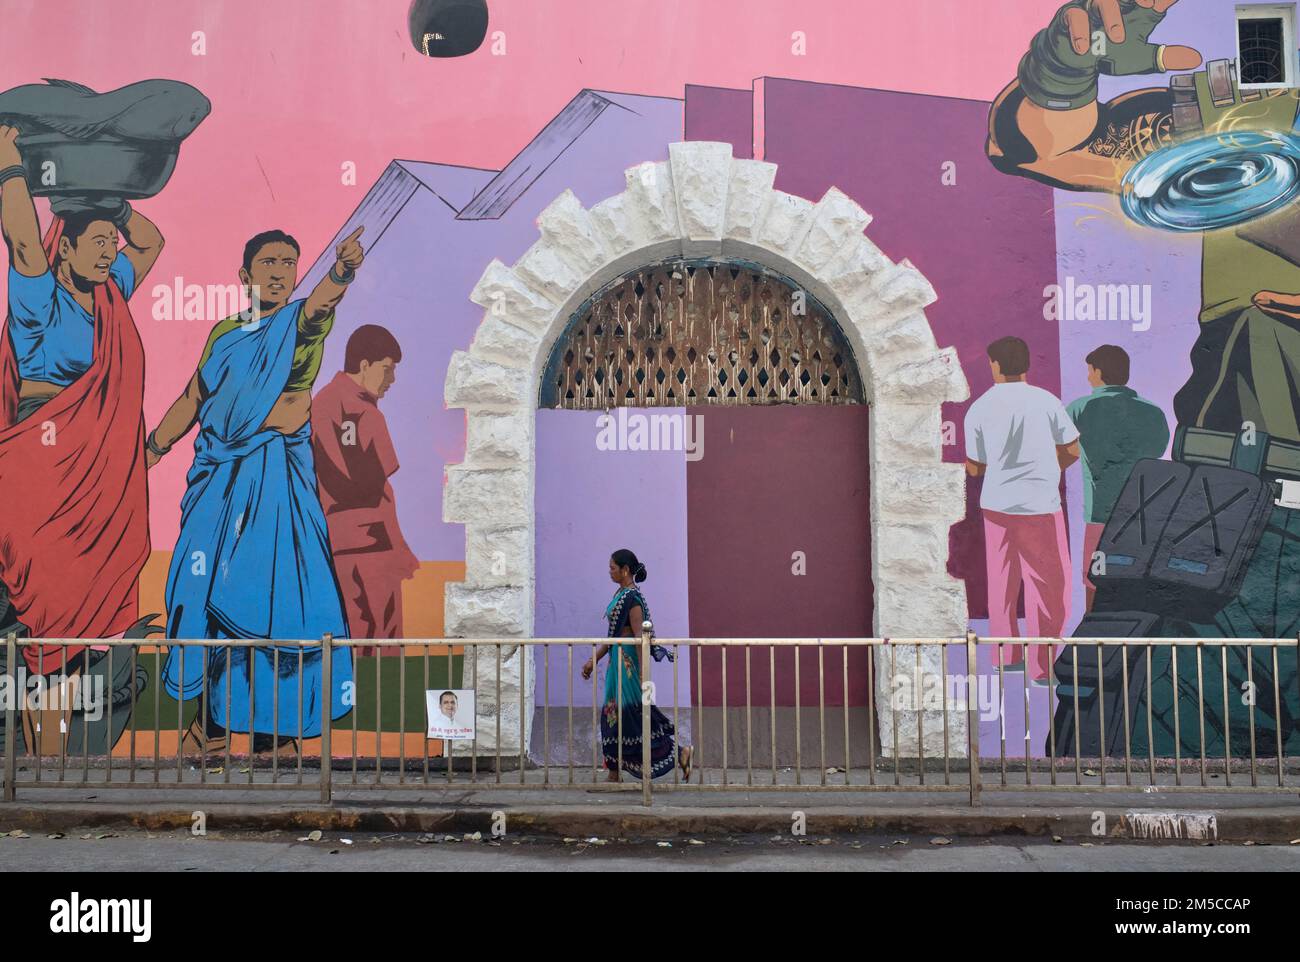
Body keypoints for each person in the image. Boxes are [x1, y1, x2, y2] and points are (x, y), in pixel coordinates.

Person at [987, 0, 1299, 754]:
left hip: (1239, 517)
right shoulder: (1255, 120)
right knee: (1119, 752)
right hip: (1241, 516)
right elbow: (1042, 147)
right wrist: (1066, 64)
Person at [147, 226, 366, 754]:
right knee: (207, 599)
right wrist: (152, 449)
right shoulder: (226, 334)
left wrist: (341, 271)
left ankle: (274, 737)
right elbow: (194, 396)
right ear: (245, 275)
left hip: (279, 481)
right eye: (267, 262)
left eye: (288, 263)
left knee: (280, 605)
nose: (278, 270)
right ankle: (212, 732)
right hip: (218, 483)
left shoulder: (299, 325)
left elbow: (318, 308)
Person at [0, 124, 164, 756]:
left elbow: (152, 240)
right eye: (93, 243)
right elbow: (19, 239)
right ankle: (42, 762)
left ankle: (58, 760)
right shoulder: (38, 299)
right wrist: (14, 170)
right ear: (60, 250)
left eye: (108, 244)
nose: (107, 251)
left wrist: (110, 201)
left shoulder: (111, 295)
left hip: (99, 491)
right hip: (42, 473)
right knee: (45, 621)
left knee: (82, 634)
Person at [965, 336, 1079, 682]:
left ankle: (1005, 656)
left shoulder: (980, 408)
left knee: (1001, 583)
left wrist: (999, 467)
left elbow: (974, 466)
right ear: (1027, 364)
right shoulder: (1047, 402)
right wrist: (1047, 466)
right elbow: (1072, 450)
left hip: (997, 506)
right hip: (1040, 505)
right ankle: (1043, 667)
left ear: (995, 365)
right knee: (1048, 587)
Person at [311, 324, 418, 655]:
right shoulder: (360, 410)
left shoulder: (325, 403)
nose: (391, 379)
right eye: (387, 369)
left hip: (344, 543)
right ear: (365, 365)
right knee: (379, 641)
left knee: (357, 638)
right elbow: (374, 482)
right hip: (368, 545)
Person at [1066, 345, 1170, 610]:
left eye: (1089, 371)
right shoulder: (1154, 412)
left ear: (1098, 372)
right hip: (1141, 515)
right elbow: (1157, 450)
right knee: (1136, 582)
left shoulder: (1079, 409)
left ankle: (1094, 641)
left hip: (1099, 515)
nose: (1088, 377)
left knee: (1093, 582)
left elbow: (1067, 451)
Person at [580, 549, 691, 781]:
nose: (609, 572)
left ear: (625, 570)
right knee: (615, 715)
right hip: (617, 662)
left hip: (628, 665)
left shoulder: (633, 599)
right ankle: (614, 772)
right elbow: (614, 636)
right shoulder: (620, 594)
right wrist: (594, 659)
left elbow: (640, 637)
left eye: (612, 568)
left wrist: (643, 673)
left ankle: (679, 753)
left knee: (631, 716)